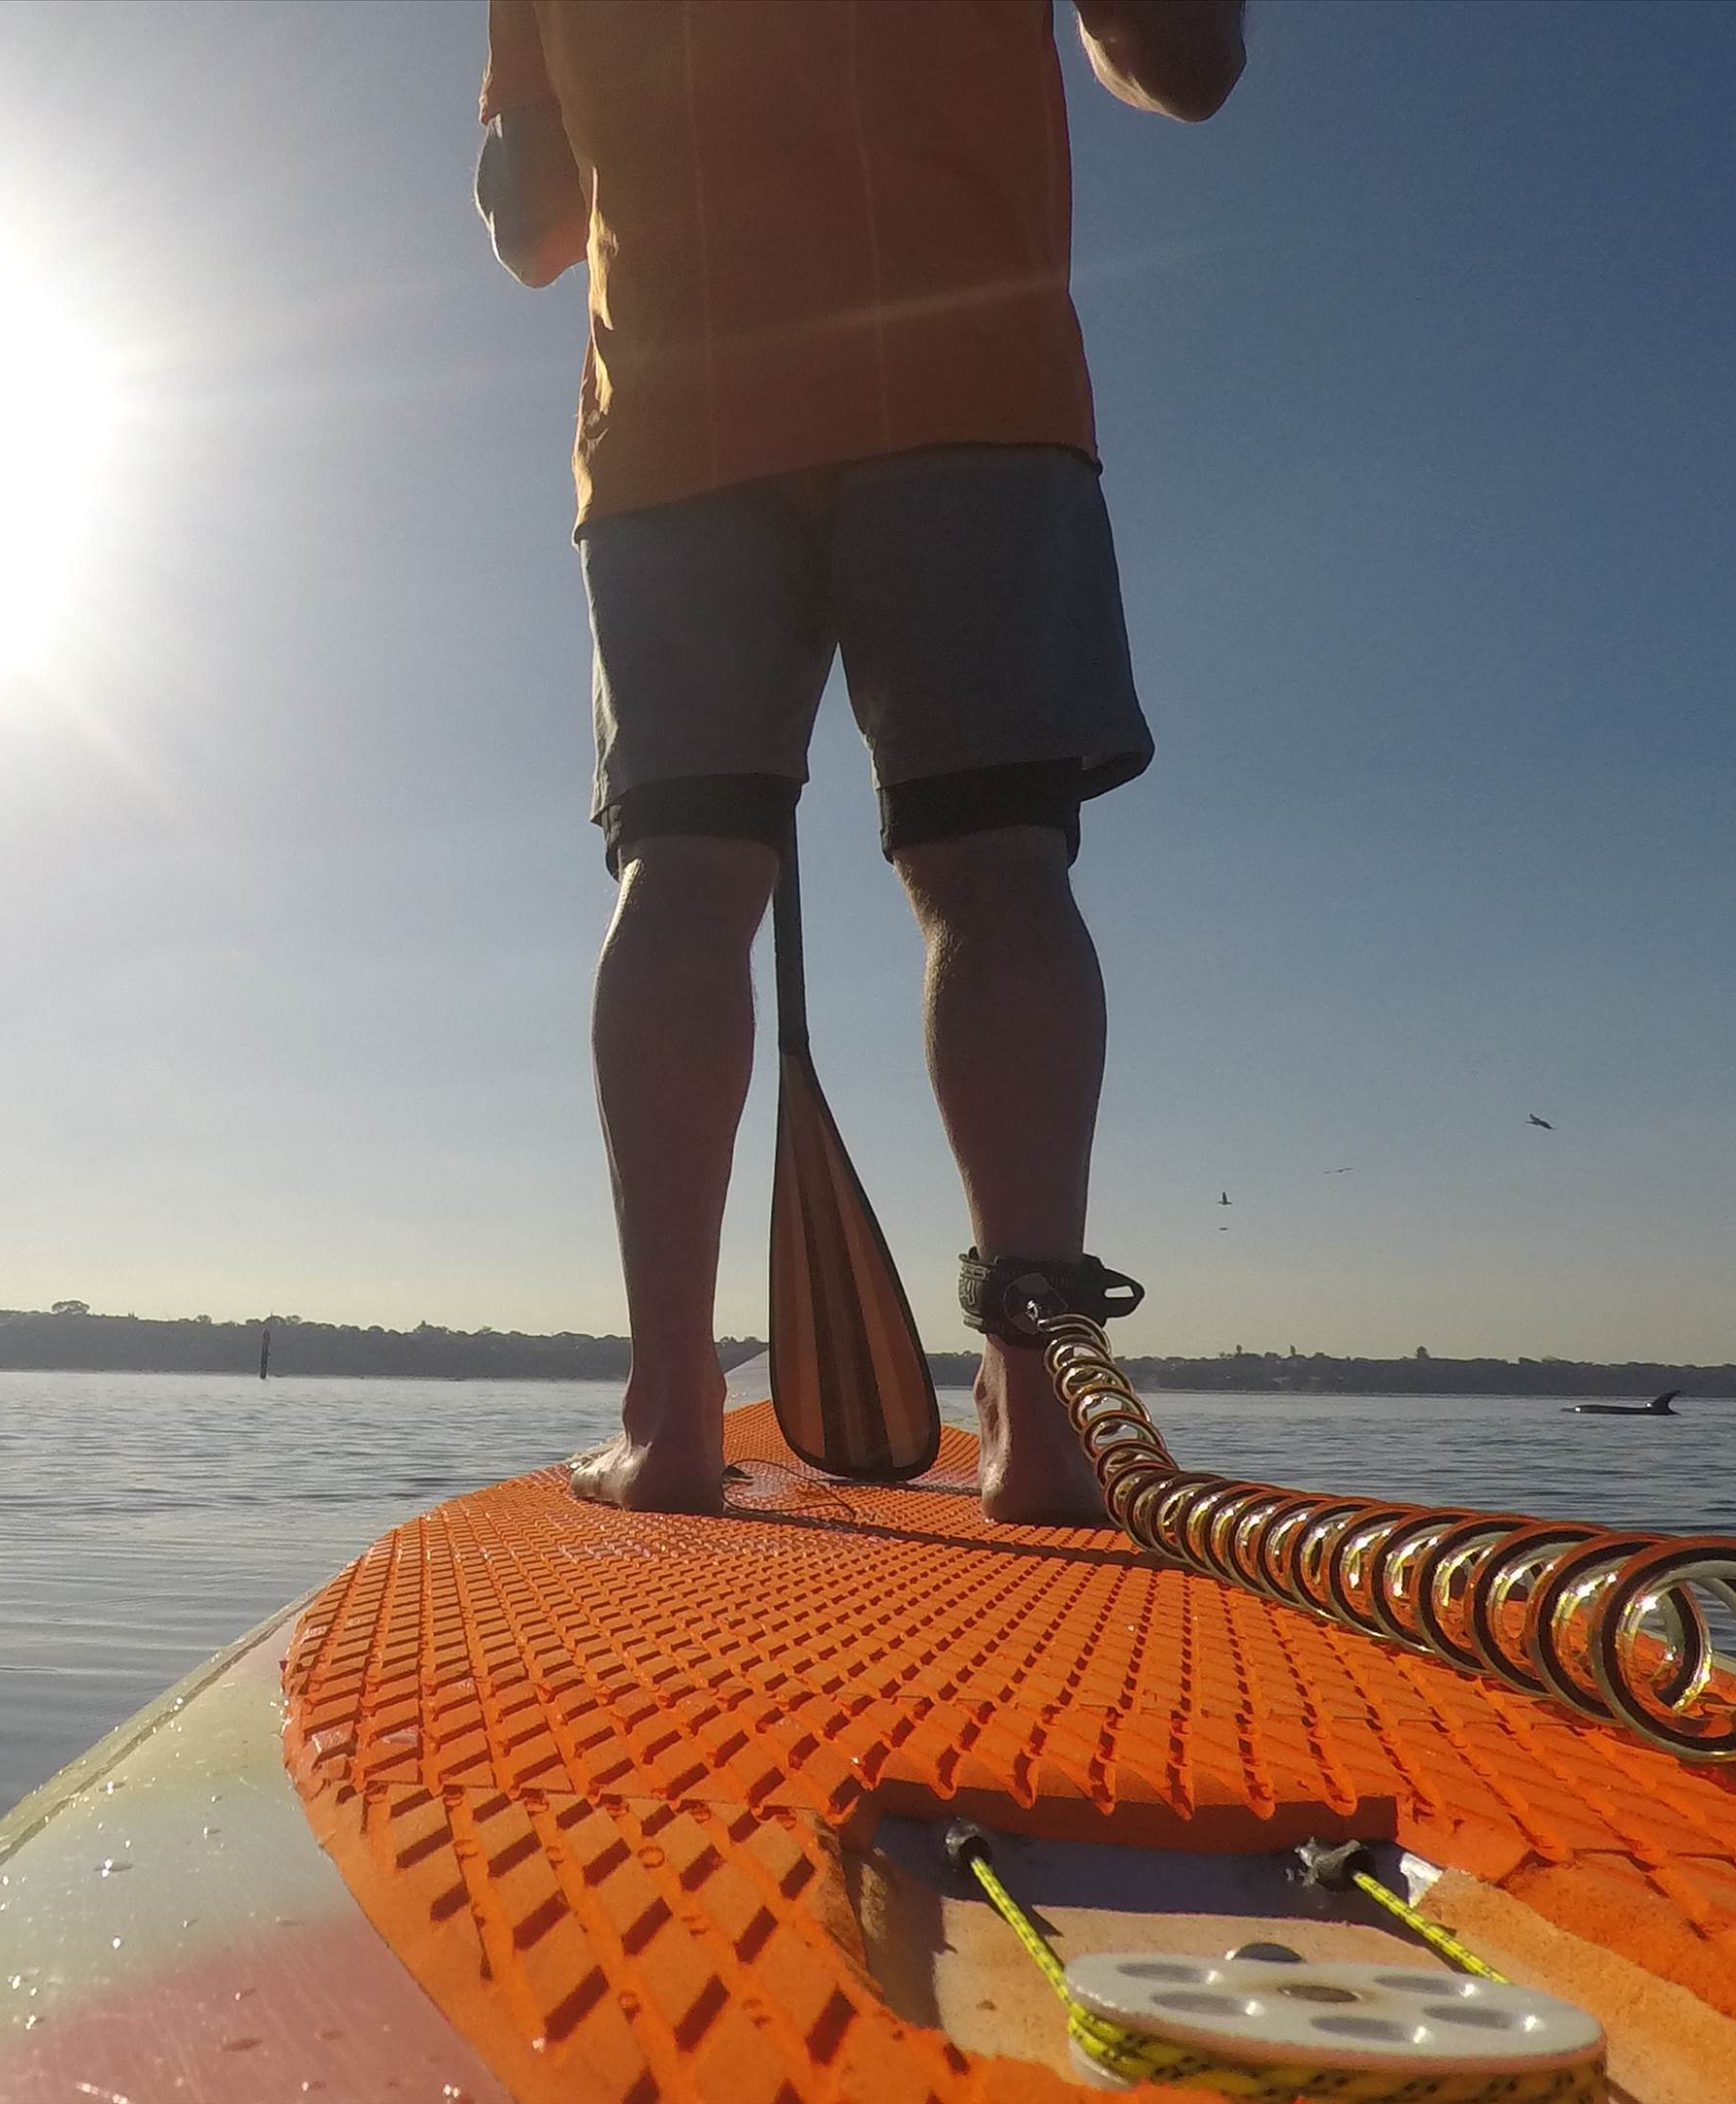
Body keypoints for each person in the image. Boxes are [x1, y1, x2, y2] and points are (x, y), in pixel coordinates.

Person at [475, 0, 1246, 1520]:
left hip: (674, 423)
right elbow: (1185, 65)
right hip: (967, 385)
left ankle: (671, 1415)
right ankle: (1040, 1418)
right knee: (992, 871)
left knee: (681, 882)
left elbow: (531, 229)